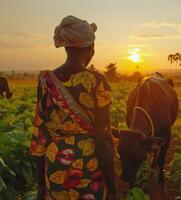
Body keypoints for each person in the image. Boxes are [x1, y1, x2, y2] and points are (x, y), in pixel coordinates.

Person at [30, 15, 116, 200]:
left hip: (55, 163)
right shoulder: (97, 81)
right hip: (89, 163)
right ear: (91, 48)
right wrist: (114, 187)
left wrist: (40, 185)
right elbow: (103, 137)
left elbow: (40, 134)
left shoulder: (45, 80)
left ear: (66, 47)